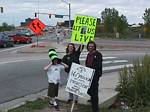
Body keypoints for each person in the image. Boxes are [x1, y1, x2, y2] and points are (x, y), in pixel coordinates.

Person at [85, 41, 103, 112]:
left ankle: (95, 109)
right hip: (89, 75)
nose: (90, 47)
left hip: (95, 75)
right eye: (89, 46)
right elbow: (87, 63)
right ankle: (92, 98)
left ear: (94, 47)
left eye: (92, 46)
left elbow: (98, 65)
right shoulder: (88, 54)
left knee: (94, 93)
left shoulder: (98, 54)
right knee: (87, 89)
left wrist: (90, 69)